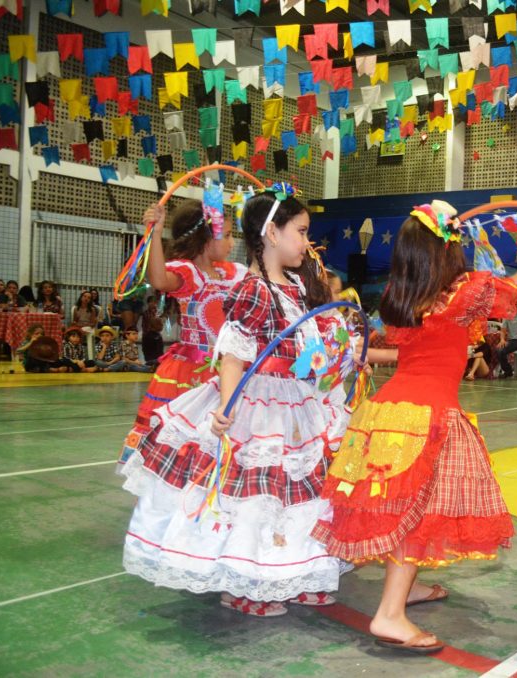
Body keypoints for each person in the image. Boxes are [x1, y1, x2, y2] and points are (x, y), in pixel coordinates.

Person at [311, 200, 517, 654]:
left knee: (409, 506)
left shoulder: (403, 294)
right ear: (447, 247)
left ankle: (406, 589)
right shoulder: (463, 292)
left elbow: (408, 353)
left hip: (389, 411)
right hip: (428, 415)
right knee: (416, 513)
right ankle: (389, 613)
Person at [119, 190, 360, 617]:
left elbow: (309, 342)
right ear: (272, 234)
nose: (307, 242)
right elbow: (233, 353)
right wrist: (227, 407)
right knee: (256, 495)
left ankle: (298, 571)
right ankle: (245, 583)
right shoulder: (252, 288)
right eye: (301, 232)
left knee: (299, 493)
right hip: (259, 404)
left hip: (297, 401)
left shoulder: (297, 285)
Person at [117, 200, 246, 466]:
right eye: (227, 235)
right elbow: (159, 279)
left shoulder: (232, 273)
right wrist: (155, 233)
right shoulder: (189, 273)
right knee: (185, 438)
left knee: (222, 438)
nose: (232, 243)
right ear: (206, 239)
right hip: (191, 373)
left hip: (229, 369)